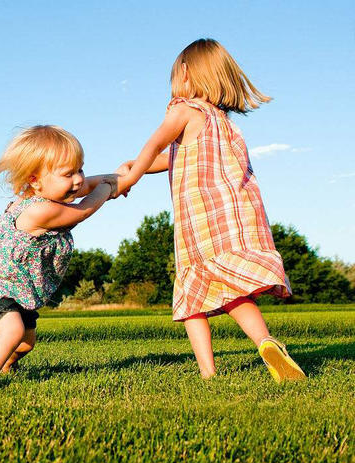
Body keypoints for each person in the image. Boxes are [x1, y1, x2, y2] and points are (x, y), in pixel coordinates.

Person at [115, 38, 305, 382]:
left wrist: (131, 179)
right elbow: (176, 154)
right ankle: (265, 342)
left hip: (197, 222)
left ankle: (208, 373)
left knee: (192, 298)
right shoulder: (222, 122)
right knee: (233, 292)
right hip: (231, 215)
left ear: (186, 74)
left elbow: (156, 142)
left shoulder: (183, 109)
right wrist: (140, 167)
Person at [0, 125, 120, 391]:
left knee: (25, 342)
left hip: (15, 287)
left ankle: (5, 364)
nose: (78, 179)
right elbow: (82, 211)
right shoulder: (39, 211)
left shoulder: (49, 193)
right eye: (68, 173)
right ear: (35, 180)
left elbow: (85, 186)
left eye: (80, 169)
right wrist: (107, 188)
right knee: (11, 333)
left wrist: (113, 178)